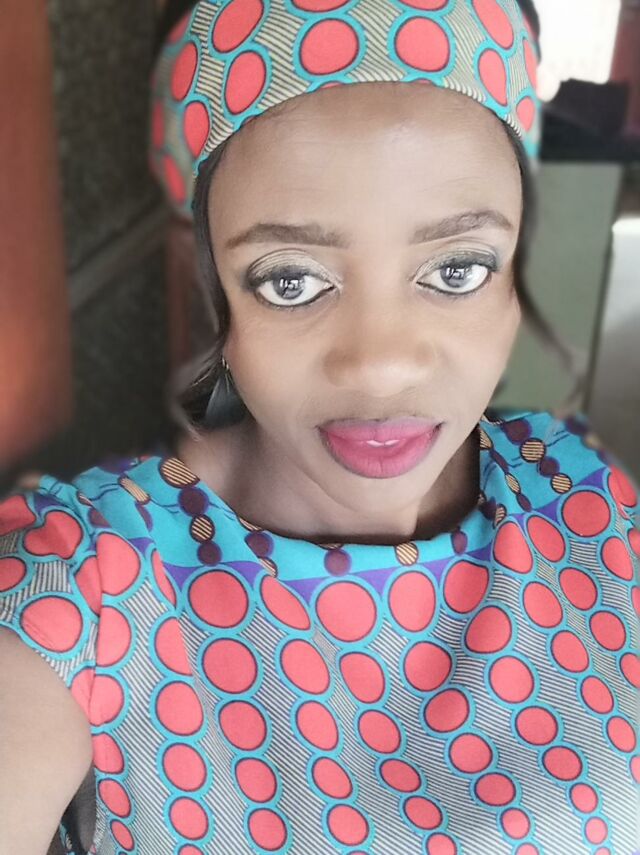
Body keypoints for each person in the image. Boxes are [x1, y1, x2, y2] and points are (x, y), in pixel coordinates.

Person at [1, 1, 638, 853]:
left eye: (457, 268)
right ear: (215, 292)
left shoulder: (585, 497)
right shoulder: (87, 582)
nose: (379, 366)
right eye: (291, 280)